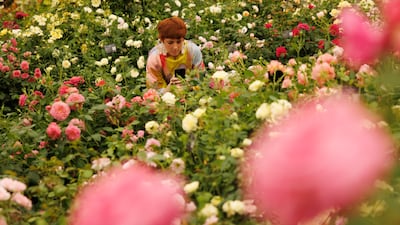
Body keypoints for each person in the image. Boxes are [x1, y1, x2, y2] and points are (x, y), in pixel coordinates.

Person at [146, 16, 204, 91]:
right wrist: (169, 88)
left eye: (179, 42)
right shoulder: (154, 58)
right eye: (170, 42)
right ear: (162, 40)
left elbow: (201, 80)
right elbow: (153, 89)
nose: (175, 47)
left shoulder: (193, 51)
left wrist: (188, 86)